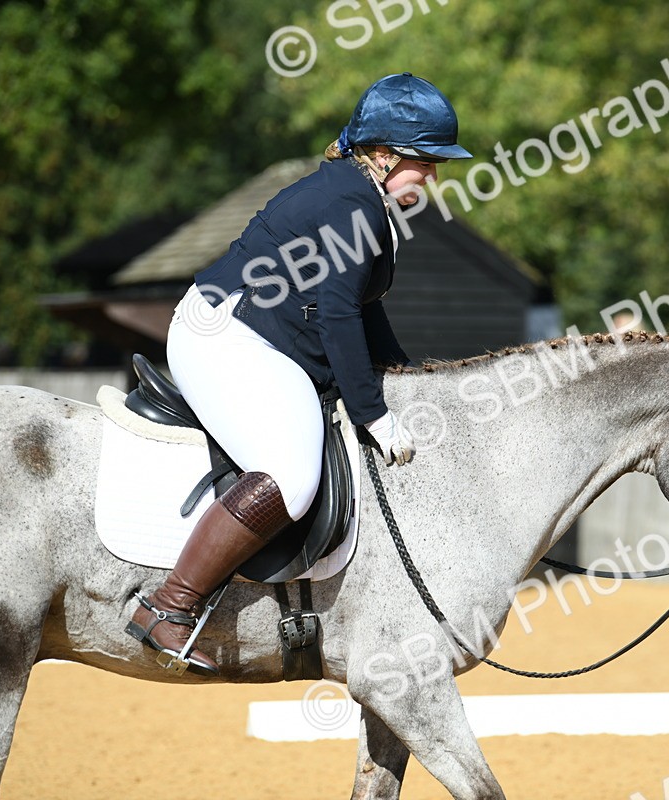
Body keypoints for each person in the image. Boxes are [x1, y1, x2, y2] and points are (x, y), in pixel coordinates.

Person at [124, 73, 472, 676]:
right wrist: (373, 414)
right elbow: (337, 314)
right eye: (426, 163)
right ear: (384, 155)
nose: (434, 178)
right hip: (225, 337)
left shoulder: (364, 198)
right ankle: (169, 605)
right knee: (291, 475)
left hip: (261, 337)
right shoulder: (350, 202)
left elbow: (365, 308)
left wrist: (410, 381)